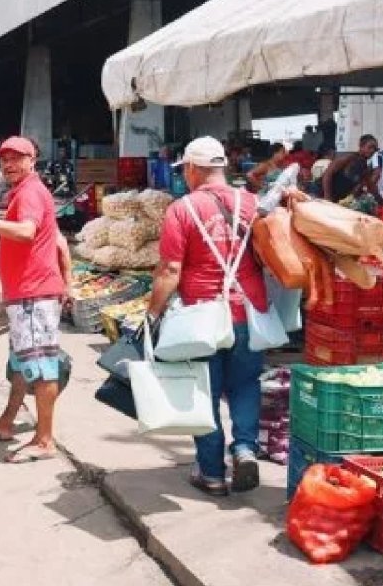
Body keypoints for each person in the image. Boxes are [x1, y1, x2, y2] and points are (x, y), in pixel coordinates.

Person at [147, 136, 267, 496]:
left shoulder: (182, 209)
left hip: (201, 317)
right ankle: (245, 449)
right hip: (249, 312)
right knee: (245, 384)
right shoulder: (252, 203)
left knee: (204, 392)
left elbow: (170, 269)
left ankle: (212, 473)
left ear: (192, 169)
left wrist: (153, 313)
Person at [0, 136, 68, 463]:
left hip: (34, 295)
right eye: (4, 159)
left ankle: (45, 440)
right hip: (25, 294)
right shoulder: (23, 192)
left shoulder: (31, 192)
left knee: (42, 367)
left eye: (17, 158)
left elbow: (26, 232)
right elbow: (58, 241)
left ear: (32, 160)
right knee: (22, 363)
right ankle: (6, 422)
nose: (9, 165)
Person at [322, 134, 381, 203]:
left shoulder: (364, 168)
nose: (372, 151)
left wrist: (381, 201)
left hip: (336, 200)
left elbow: (371, 186)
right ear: (361, 146)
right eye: (370, 147)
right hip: (321, 195)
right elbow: (327, 175)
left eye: (375, 149)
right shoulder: (348, 158)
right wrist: (327, 197)